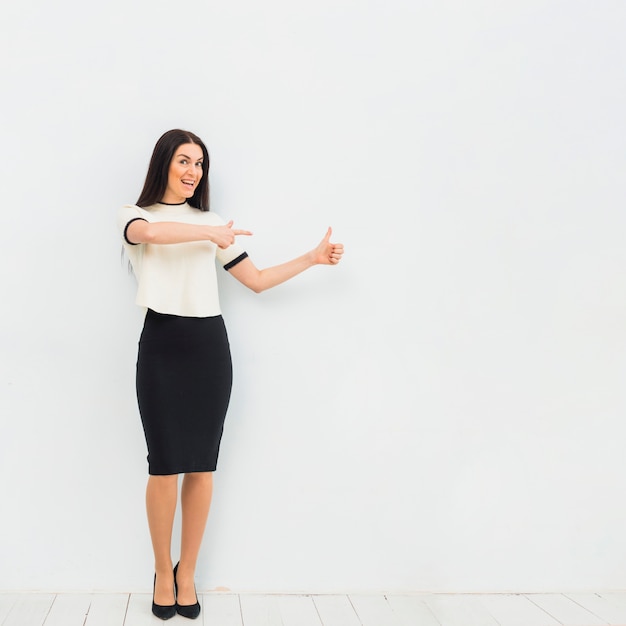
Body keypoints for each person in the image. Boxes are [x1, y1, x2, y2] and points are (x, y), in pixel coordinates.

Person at [117, 129, 344, 620]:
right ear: (164, 164)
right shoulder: (138, 216)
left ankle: (187, 572)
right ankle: (161, 570)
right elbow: (151, 235)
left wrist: (311, 257)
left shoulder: (212, 222)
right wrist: (209, 233)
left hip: (207, 349)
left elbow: (257, 281)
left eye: (200, 163)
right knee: (163, 466)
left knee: (201, 465)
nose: (193, 171)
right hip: (161, 345)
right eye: (183, 160)